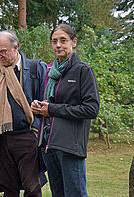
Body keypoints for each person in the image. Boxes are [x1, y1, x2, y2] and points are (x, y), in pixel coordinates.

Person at [31, 24, 100, 197]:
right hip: (48, 142)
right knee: (58, 194)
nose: (58, 45)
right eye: (54, 41)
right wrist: (39, 107)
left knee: (75, 193)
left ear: (73, 42)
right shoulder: (49, 71)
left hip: (70, 145)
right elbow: (50, 104)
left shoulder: (82, 70)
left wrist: (52, 109)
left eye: (63, 40)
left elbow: (91, 109)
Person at [0, 30, 47, 197]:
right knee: (8, 188)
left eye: (3, 51)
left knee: (32, 188)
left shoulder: (36, 68)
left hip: (27, 136)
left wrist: (37, 130)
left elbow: (46, 101)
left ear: (16, 47)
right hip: (0, 138)